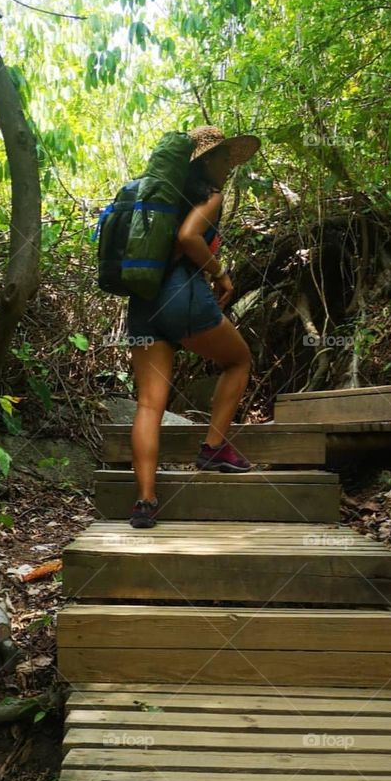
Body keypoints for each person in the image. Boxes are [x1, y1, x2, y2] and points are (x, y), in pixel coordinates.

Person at [125, 125, 261, 528]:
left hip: (144, 302)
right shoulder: (209, 196)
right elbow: (189, 238)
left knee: (150, 404)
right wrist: (221, 274)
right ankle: (214, 447)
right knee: (238, 361)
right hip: (182, 296)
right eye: (223, 158)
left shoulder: (159, 198)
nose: (228, 166)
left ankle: (145, 502)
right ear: (206, 160)